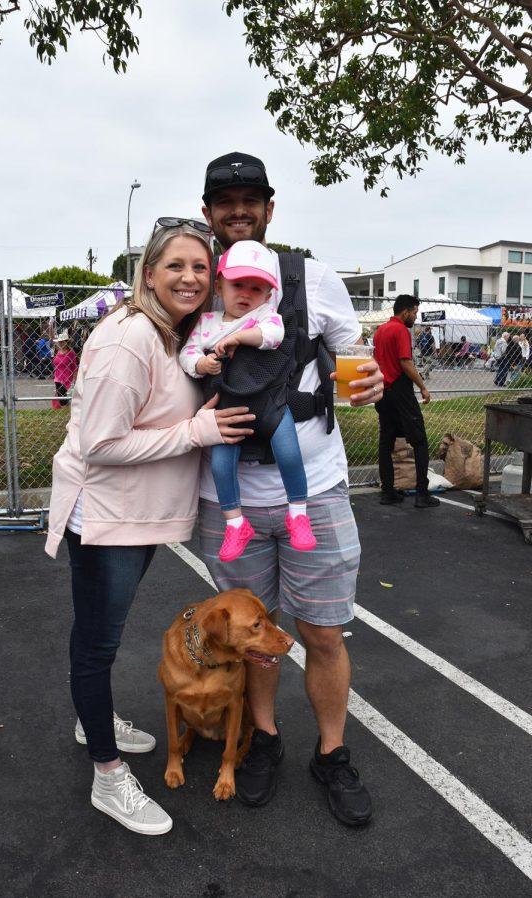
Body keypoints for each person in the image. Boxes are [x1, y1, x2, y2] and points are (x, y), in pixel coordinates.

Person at [44, 221, 255, 835]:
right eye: (175, 267)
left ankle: (94, 720)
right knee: (97, 645)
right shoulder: (128, 337)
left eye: (200, 267)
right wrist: (197, 431)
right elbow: (102, 443)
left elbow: (158, 412)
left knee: (99, 636)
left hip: (134, 516)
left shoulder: (172, 337)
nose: (190, 278)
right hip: (106, 517)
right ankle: (107, 776)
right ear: (148, 274)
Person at [197, 152, 384, 825]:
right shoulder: (199, 286)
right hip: (232, 502)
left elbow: (354, 363)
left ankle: (331, 753)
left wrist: (373, 383)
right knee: (254, 638)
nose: (239, 209)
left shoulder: (314, 278)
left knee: (325, 634)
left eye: (252, 198)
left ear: (271, 209)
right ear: (208, 212)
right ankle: (264, 740)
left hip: (319, 489)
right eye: (226, 200)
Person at [180, 239, 316, 562]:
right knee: (222, 465)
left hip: (268, 403)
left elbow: (273, 337)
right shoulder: (207, 323)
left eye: (256, 289)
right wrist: (201, 364)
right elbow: (187, 353)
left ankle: (298, 513)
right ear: (219, 286)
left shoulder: (265, 317)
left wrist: (240, 337)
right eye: (237, 284)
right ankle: (235, 523)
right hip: (229, 408)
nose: (245, 294)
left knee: (288, 451)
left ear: (269, 295)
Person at [373, 294, 440, 509]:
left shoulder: (380, 331)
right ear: (405, 312)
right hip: (401, 390)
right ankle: (422, 494)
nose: (415, 317)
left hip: (383, 390)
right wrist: (422, 386)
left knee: (386, 443)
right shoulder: (401, 330)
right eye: (415, 313)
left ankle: (388, 492)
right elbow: (406, 362)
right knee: (419, 441)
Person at [51, 332, 78, 409]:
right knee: (61, 396)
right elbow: (55, 363)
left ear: (66, 342)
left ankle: (67, 405)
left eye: (62, 341)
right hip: (57, 377)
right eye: (59, 342)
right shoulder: (57, 351)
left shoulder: (71, 353)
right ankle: (65, 407)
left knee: (61, 394)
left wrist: (75, 379)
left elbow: (74, 367)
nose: (61, 343)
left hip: (66, 378)